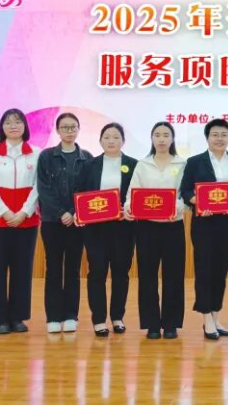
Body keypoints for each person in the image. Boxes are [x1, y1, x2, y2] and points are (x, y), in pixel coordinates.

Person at [180, 118, 228, 340]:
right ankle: (206, 317)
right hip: (204, 224)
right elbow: (185, 191)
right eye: (215, 134)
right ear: (207, 137)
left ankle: (216, 316)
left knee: (221, 270)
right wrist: (198, 201)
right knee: (204, 269)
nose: (219, 138)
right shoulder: (194, 162)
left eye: (224, 135)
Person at [0, 108, 41, 335]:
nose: (13, 126)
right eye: (8, 122)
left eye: (17, 122)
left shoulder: (36, 153)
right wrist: (4, 212)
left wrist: (24, 212)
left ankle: (17, 316)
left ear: (25, 126)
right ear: (2, 127)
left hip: (26, 221)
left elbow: (38, 186)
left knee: (22, 269)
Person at [126, 121, 188, 340]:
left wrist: (175, 208)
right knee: (147, 276)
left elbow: (185, 196)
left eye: (166, 135)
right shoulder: (143, 165)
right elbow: (132, 194)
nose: (161, 139)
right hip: (146, 227)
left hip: (173, 226)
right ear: (151, 139)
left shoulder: (182, 164)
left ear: (172, 139)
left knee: (174, 276)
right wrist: (129, 208)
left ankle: (171, 324)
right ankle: (152, 324)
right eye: (157, 135)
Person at [77, 122, 138, 337]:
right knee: (97, 272)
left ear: (123, 140)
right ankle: (99, 319)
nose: (111, 141)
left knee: (121, 272)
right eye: (107, 137)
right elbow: (80, 193)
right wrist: (80, 213)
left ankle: (117, 316)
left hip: (124, 227)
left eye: (116, 137)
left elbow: (137, 194)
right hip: (95, 229)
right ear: (100, 140)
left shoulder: (134, 165)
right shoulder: (89, 165)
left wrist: (128, 209)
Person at [36, 112, 92, 334]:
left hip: (78, 222)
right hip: (52, 221)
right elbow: (43, 189)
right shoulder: (46, 156)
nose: (69, 131)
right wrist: (61, 212)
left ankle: (70, 315)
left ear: (78, 129)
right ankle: (53, 316)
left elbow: (88, 189)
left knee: (73, 269)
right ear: (58, 130)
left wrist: (74, 212)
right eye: (65, 127)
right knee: (53, 268)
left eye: (73, 127)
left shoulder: (87, 158)